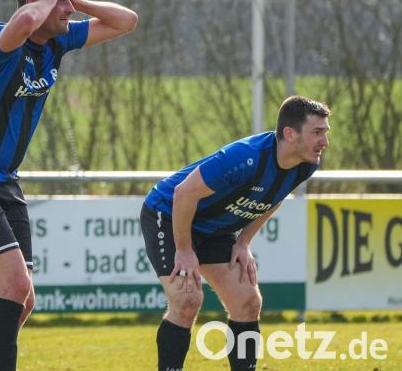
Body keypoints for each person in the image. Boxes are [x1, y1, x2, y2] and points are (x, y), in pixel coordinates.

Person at [0, 0, 138, 370]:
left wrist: (75, 2)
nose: (65, 8)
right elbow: (24, 24)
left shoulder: (59, 40)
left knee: (23, 299)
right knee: (13, 287)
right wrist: (45, 0)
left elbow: (126, 21)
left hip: (5, 181)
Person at [139, 95, 331, 371]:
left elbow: (274, 197)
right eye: (317, 132)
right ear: (290, 134)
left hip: (215, 229)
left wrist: (243, 241)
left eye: (325, 133)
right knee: (187, 299)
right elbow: (184, 194)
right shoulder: (245, 157)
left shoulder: (305, 164)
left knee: (248, 301)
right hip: (168, 215)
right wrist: (184, 250)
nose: (324, 141)